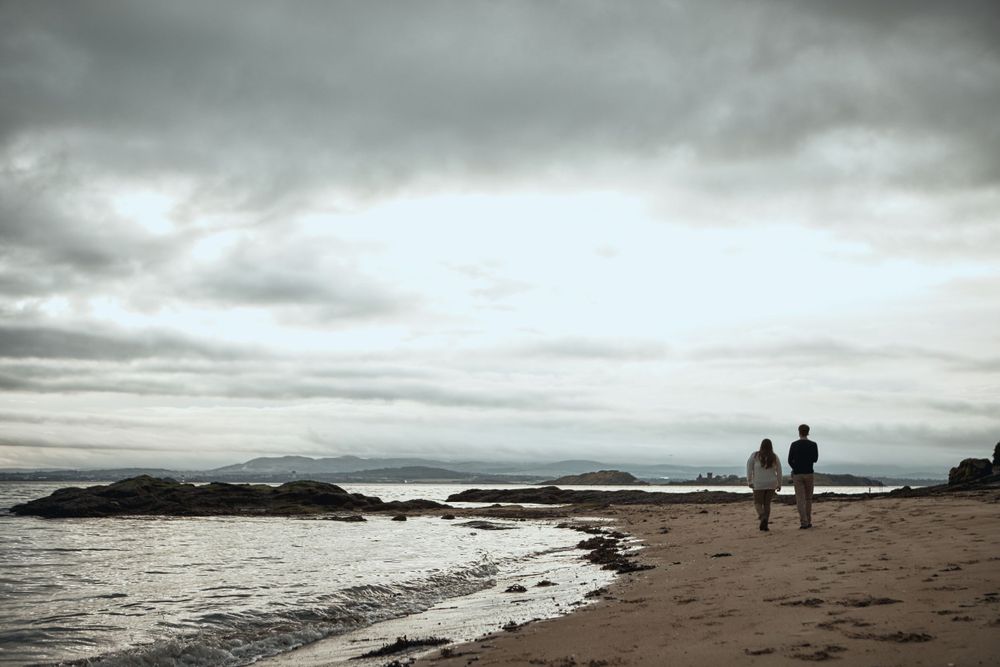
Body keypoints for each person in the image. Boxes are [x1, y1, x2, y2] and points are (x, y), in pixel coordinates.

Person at [746, 438, 782, 531]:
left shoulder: (755, 455)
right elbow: (779, 471)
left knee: (757, 503)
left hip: (759, 483)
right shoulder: (774, 456)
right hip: (771, 483)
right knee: (767, 504)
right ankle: (765, 524)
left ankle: (762, 517)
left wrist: (749, 481)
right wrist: (779, 484)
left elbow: (749, 468)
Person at [788, 424, 819, 529]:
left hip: (798, 474)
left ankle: (804, 522)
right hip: (809, 472)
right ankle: (808, 520)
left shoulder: (794, 444)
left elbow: (789, 460)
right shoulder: (813, 444)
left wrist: (795, 467)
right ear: (808, 432)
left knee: (800, 499)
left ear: (799, 432)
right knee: (808, 499)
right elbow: (815, 459)